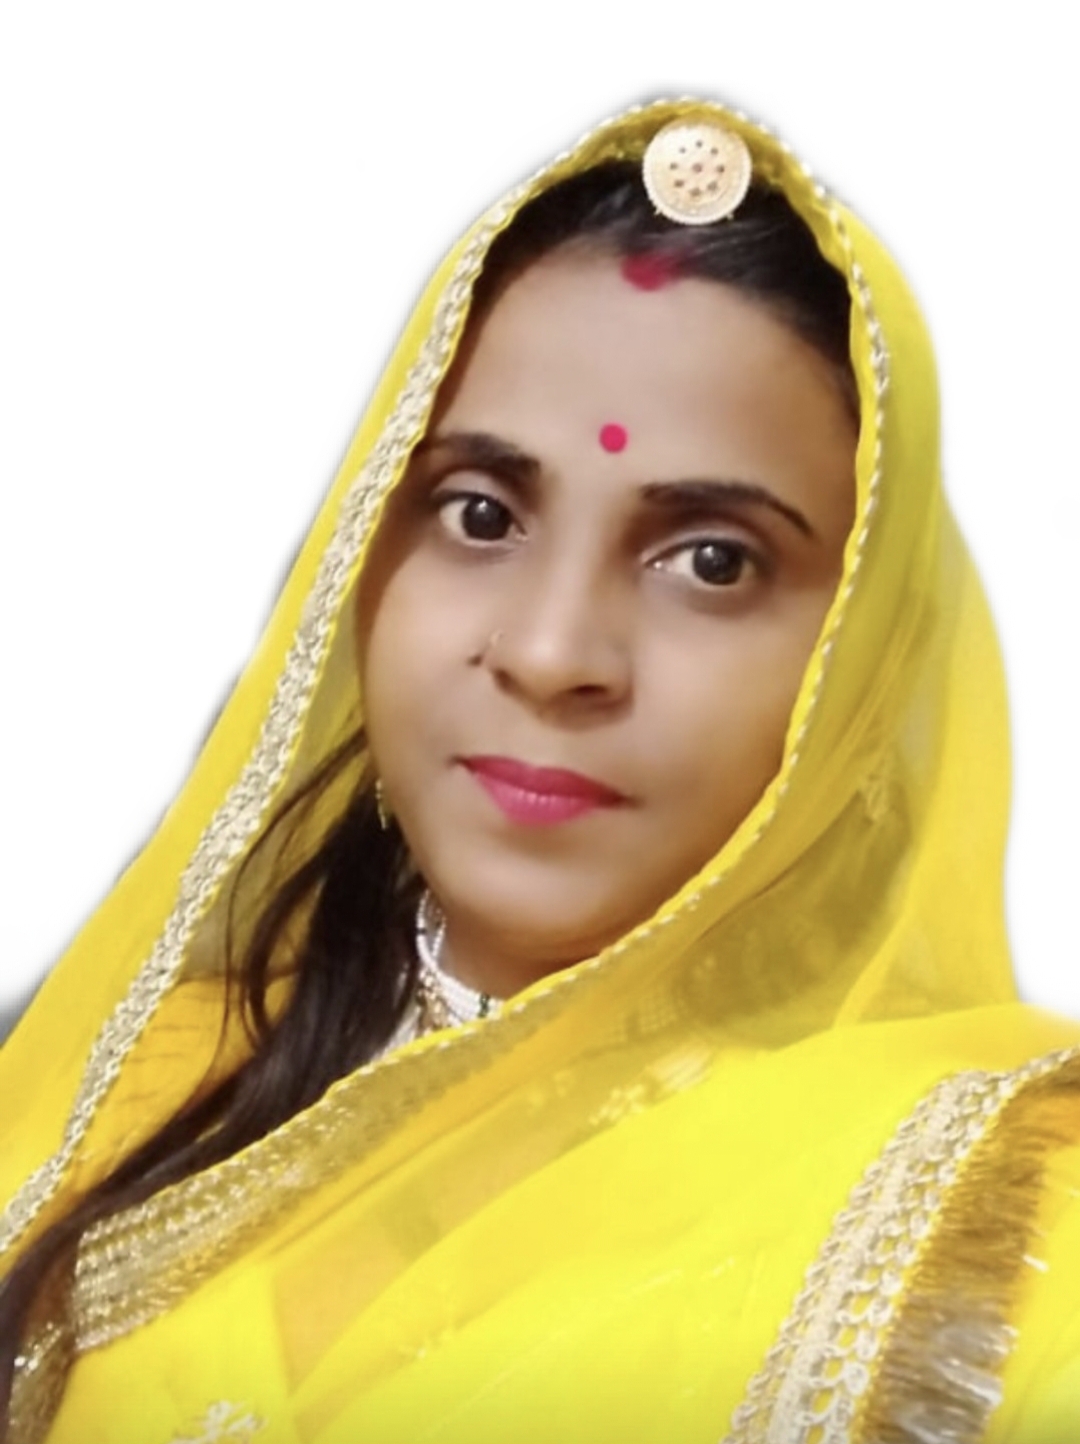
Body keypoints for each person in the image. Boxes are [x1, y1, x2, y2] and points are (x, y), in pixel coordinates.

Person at [1, 97, 1078, 1444]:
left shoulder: (1008, 1248)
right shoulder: (123, 1091)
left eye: (713, 561)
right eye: (481, 514)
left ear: (864, 665)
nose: (555, 653)